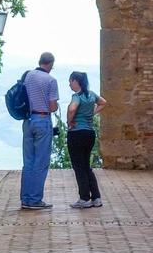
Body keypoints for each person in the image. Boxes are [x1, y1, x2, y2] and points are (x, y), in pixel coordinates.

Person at [20, 52, 59, 210]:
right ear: (50, 64)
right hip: (42, 120)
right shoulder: (51, 80)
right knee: (41, 162)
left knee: (28, 161)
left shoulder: (28, 76)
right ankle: (35, 200)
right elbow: (52, 106)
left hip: (28, 121)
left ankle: (25, 198)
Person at [66, 71, 106, 208]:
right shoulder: (91, 95)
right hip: (89, 133)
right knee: (86, 166)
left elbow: (72, 109)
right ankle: (96, 198)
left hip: (76, 134)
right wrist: (91, 113)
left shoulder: (77, 96)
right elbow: (103, 102)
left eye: (70, 81)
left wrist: (69, 121)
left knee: (79, 167)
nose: (69, 84)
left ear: (76, 81)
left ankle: (84, 198)